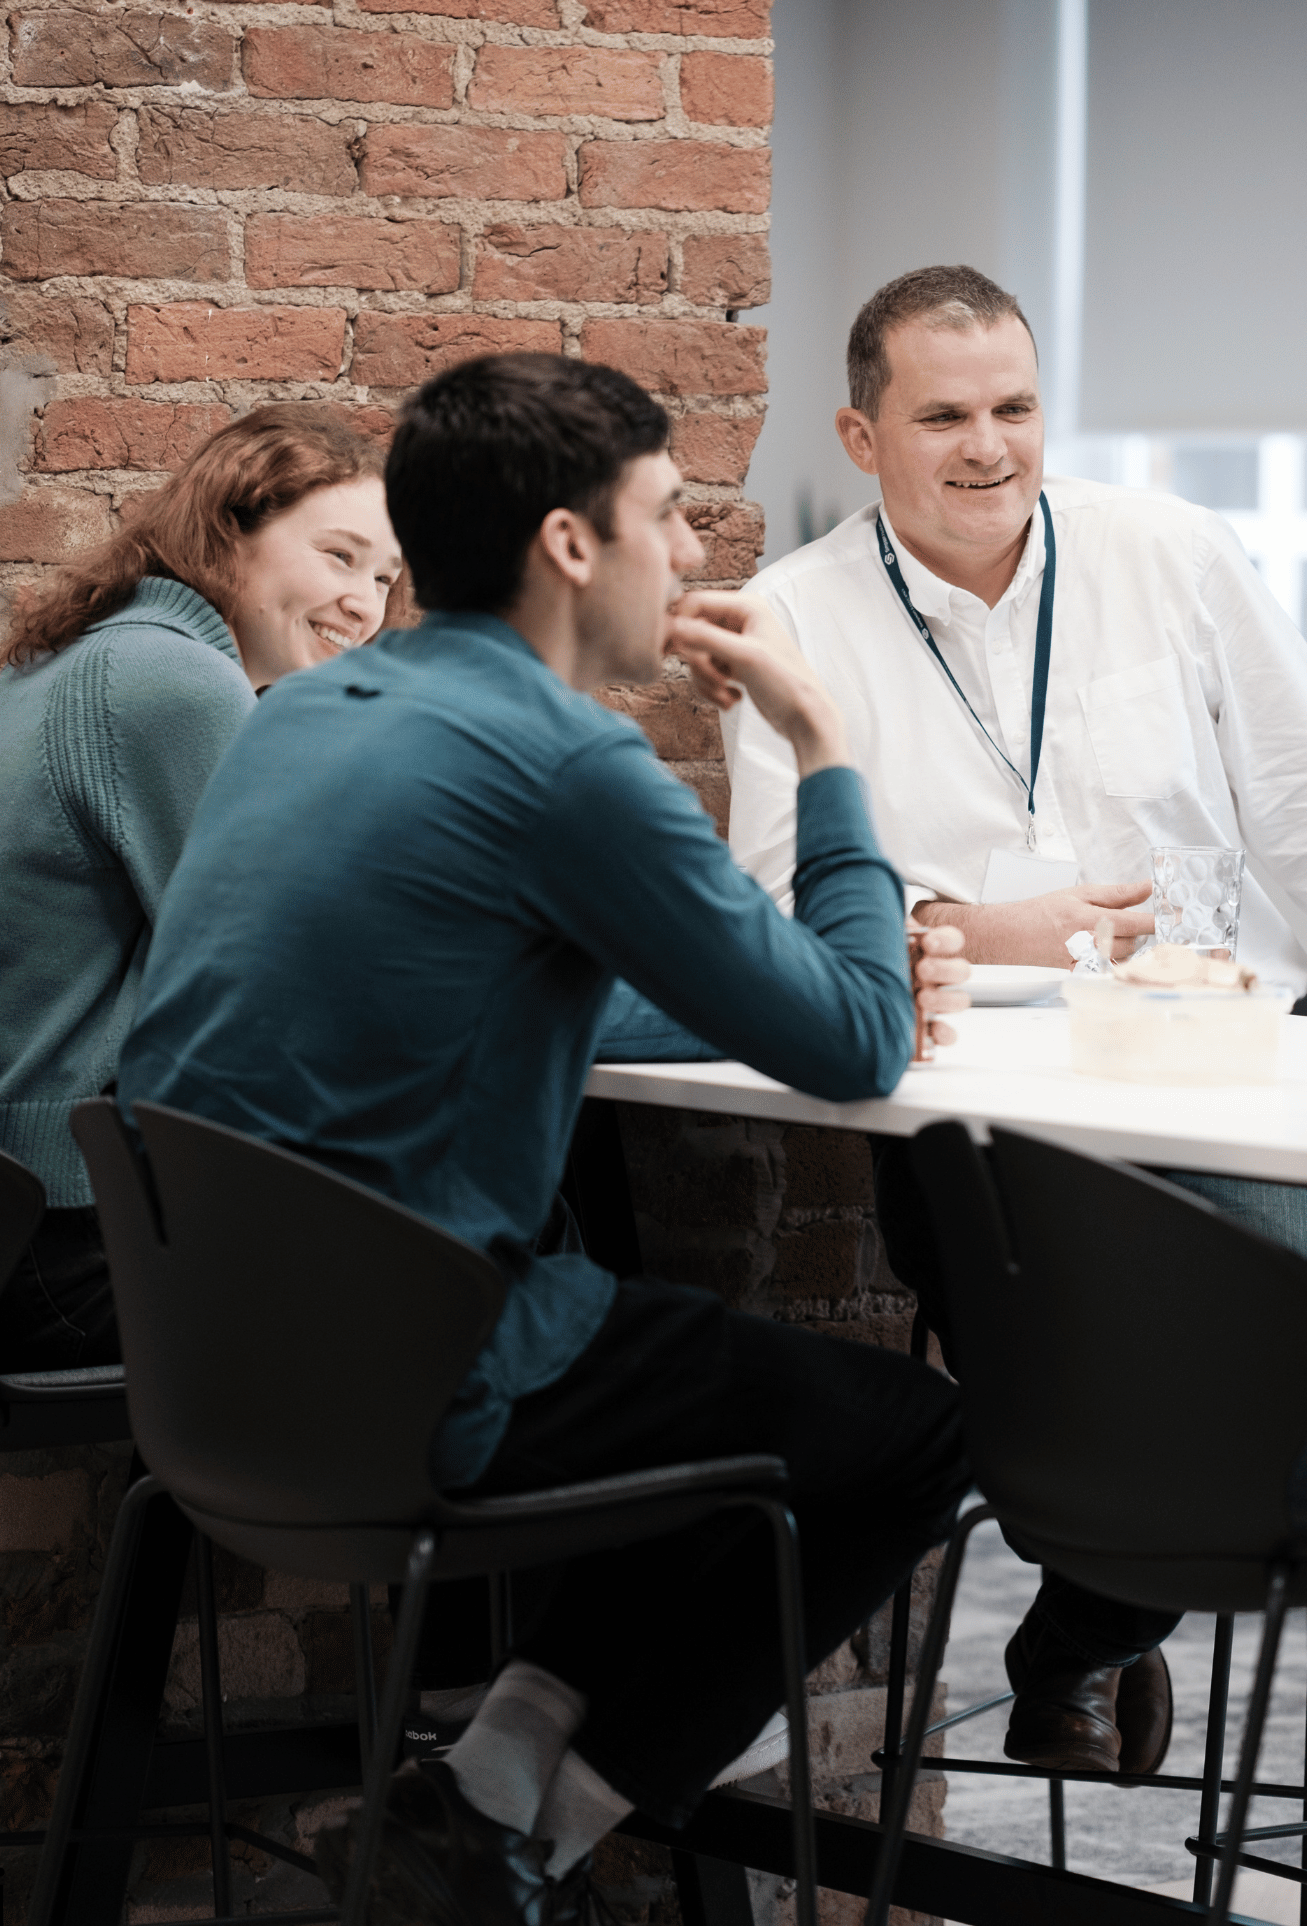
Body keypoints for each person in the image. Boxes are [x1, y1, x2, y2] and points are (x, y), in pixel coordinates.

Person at [118, 353, 971, 1926]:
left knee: (687, 1375)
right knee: (904, 1435)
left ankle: (484, 1798)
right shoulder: (571, 766)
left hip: (214, 1379)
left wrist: (754, 975)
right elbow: (858, 1045)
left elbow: (525, 1001)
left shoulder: (301, 720)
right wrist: (827, 745)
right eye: (666, 512)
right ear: (574, 545)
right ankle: (518, 1839)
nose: (700, 552)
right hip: (421, 1383)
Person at [723, 265, 1307, 1778]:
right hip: (975, 1105)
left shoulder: (1171, 555)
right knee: (1098, 1376)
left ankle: (1076, 1640)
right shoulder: (793, 616)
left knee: (1306, 1325)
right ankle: (1104, 1620)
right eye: (947, 415)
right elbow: (780, 907)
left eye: (1018, 408)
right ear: (862, 435)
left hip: (1220, 1065)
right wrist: (991, 929)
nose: (991, 446)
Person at [0, 404, 400, 1366]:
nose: (368, 604)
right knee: (489, 1253)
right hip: (55, 1246)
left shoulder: (81, 660)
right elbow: (287, 987)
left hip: (33, 1220)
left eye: (387, 575)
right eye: (339, 558)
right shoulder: (169, 684)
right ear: (230, 536)